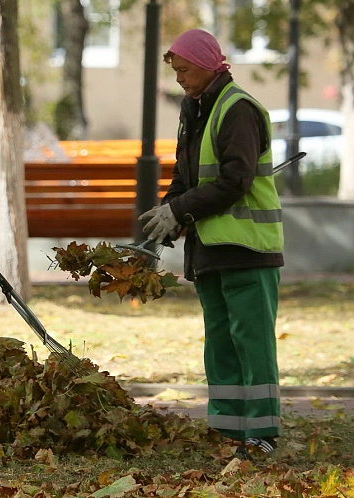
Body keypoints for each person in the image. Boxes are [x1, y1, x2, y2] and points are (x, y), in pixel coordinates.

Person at [139, 29, 284, 460]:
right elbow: (186, 178)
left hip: (248, 249)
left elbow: (235, 181)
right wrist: (168, 213)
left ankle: (261, 433)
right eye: (176, 71)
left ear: (206, 64)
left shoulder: (237, 110)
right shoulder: (194, 108)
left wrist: (181, 211)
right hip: (210, 249)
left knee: (252, 343)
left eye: (184, 70)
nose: (180, 78)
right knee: (220, 342)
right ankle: (226, 430)